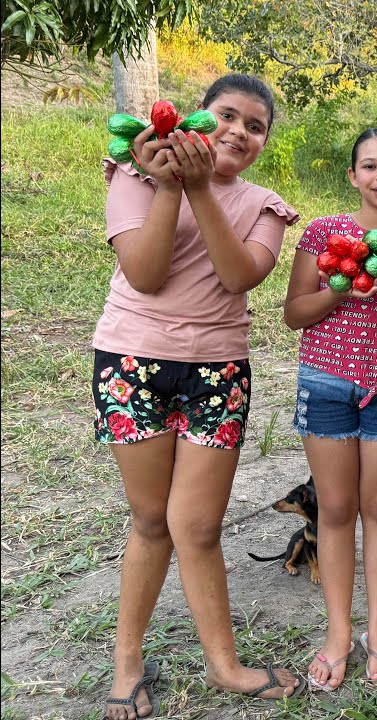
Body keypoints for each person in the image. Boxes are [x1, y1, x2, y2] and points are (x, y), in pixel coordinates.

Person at [92, 73, 302, 718]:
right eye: (227, 116)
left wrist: (202, 189)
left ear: (264, 142)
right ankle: (128, 664)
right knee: (152, 520)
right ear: (197, 119)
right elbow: (146, 274)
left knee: (200, 525)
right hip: (132, 360)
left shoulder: (264, 204)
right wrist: (168, 186)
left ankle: (225, 666)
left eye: (255, 125)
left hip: (217, 371)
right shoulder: (133, 174)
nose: (239, 131)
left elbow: (242, 275)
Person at [282, 128, 377, 689]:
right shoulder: (323, 233)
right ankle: (338, 633)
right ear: (353, 176)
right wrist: (342, 289)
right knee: (337, 509)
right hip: (325, 387)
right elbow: (295, 313)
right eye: (369, 166)